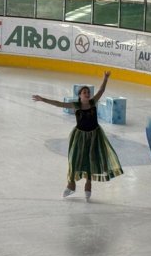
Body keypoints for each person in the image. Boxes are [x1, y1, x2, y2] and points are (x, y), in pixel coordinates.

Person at [31, 72, 123, 201]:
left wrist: (105, 78)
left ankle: (88, 184)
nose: (87, 93)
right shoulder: (75, 105)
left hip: (94, 136)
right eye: (84, 92)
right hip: (79, 136)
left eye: (88, 92)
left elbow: (101, 90)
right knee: (73, 159)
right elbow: (58, 103)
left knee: (91, 160)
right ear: (79, 95)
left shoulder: (93, 102)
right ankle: (71, 184)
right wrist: (43, 99)